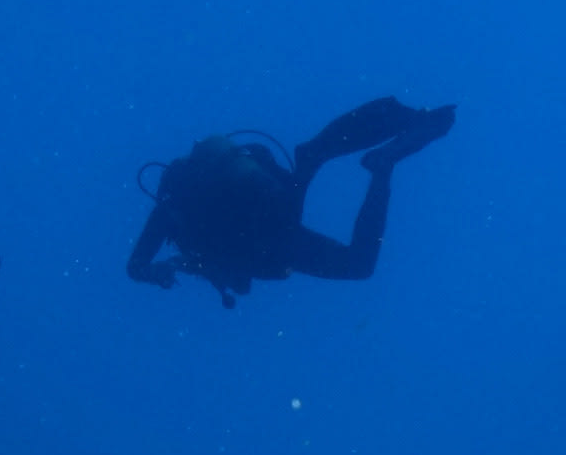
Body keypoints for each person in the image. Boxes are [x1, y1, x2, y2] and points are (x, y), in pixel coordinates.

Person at [127, 96, 457, 306]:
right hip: (271, 209)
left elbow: (135, 267)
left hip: (268, 233)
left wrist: (158, 270)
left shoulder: (175, 214)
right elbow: (139, 267)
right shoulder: (181, 219)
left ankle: (381, 165)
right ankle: (382, 146)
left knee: (359, 265)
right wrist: (162, 268)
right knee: (310, 167)